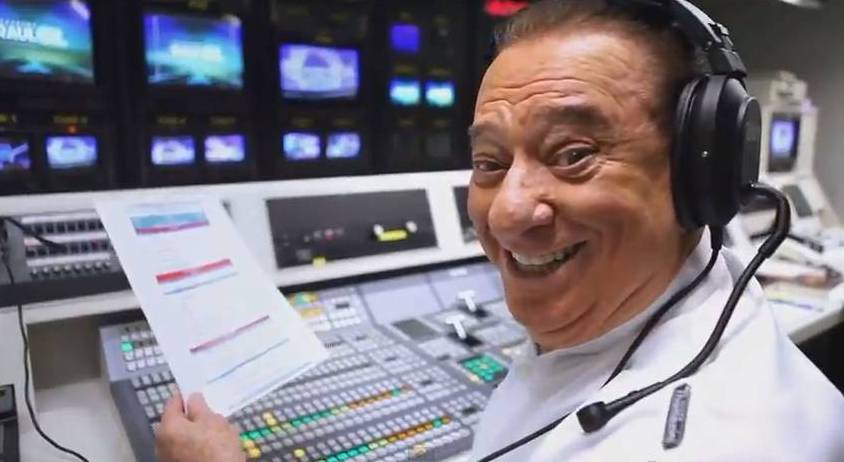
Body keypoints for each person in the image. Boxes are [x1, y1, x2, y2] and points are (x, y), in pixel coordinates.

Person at [156, 1, 844, 461]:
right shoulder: (693, 281)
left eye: (573, 154)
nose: (509, 211)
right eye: (489, 162)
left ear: (702, 172)